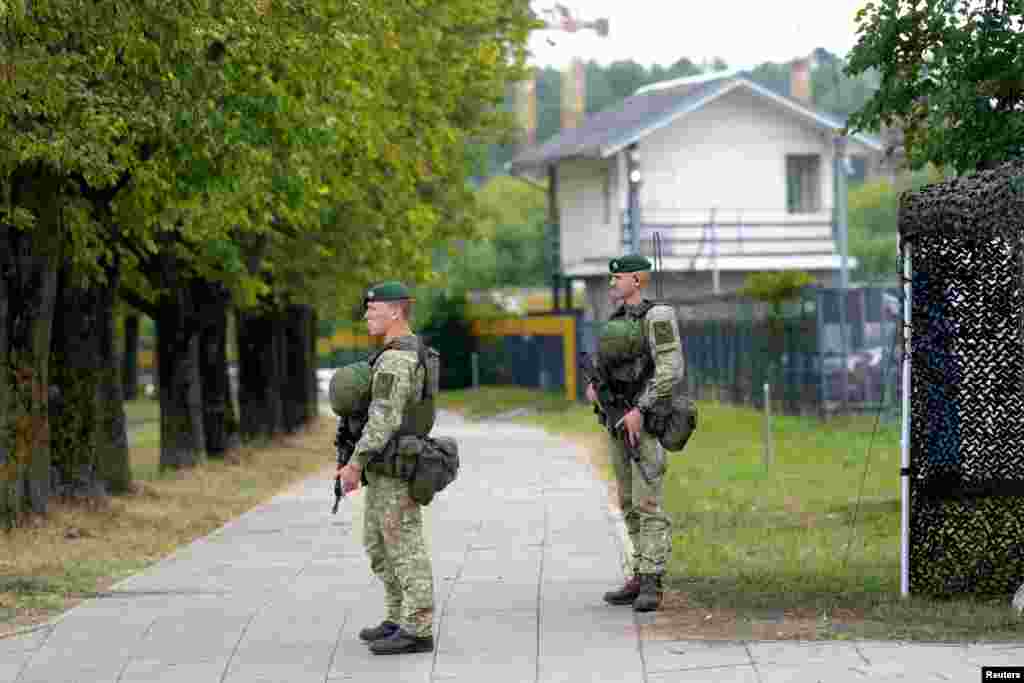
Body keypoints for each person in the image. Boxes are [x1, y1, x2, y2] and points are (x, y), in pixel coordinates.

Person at [337, 281, 435, 655]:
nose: (366, 316)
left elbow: (383, 417)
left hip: (395, 463)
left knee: (403, 545)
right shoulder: (396, 351)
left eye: (372, 309)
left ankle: (418, 627)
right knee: (380, 543)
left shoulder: (397, 358)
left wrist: (353, 464)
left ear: (395, 312)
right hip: (387, 462)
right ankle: (398, 616)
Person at [587, 254, 684, 612]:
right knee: (627, 500)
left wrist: (640, 409)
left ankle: (653, 579)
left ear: (637, 281)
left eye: (618, 278)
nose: (612, 283)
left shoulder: (658, 316)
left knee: (648, 501)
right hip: (616, 419)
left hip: (644, 421)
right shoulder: (616, 319)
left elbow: (671, 368)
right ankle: (639, 571)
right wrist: (596, 390)